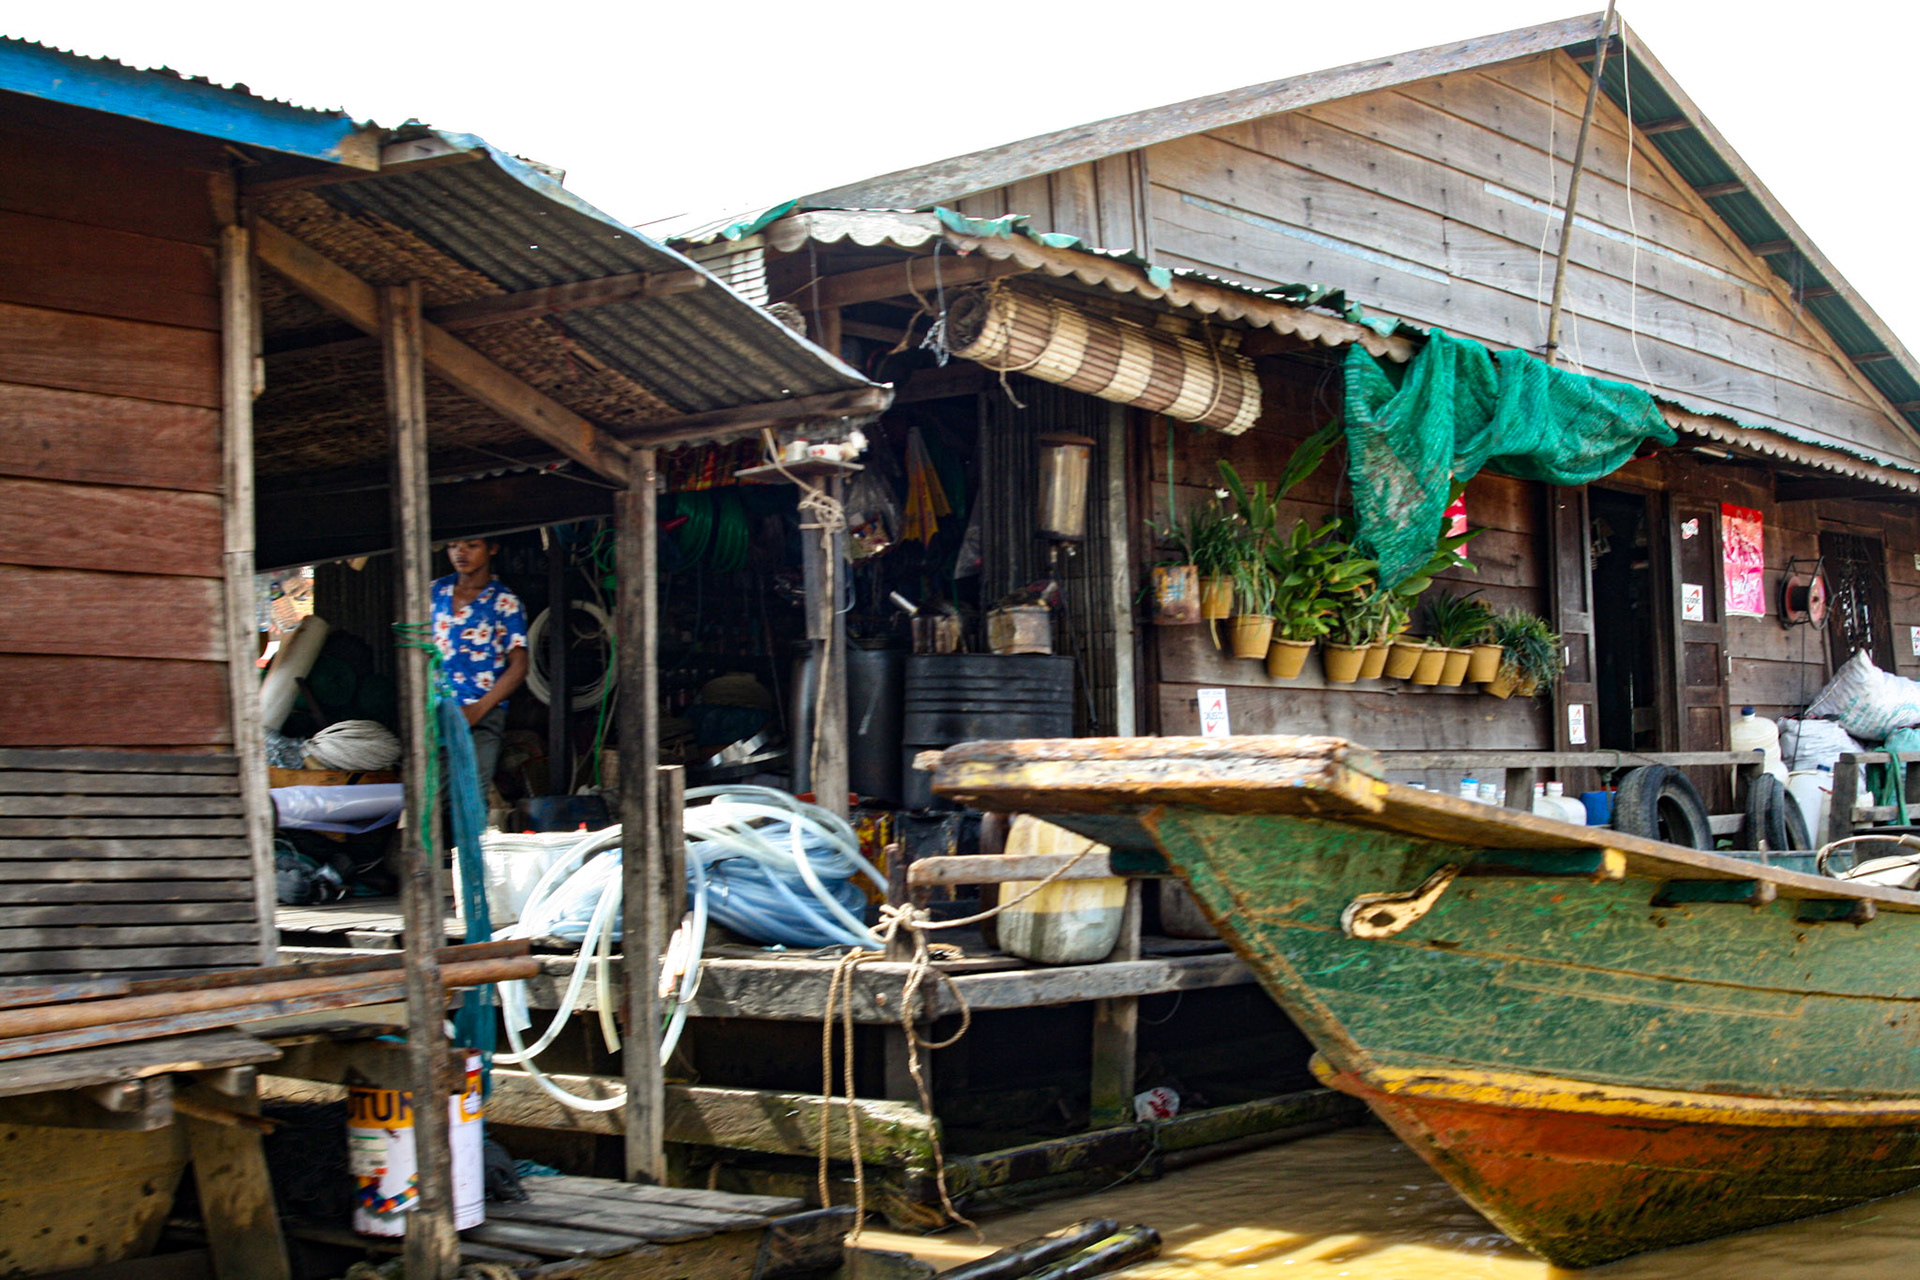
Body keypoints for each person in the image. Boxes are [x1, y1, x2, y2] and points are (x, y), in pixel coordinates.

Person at [431, 538, 529, 791]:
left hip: (484, 714)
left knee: (472, 790)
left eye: (472, 545)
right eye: (453, 545)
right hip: (436, 711)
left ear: (493, 547)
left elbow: (519, 666)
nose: (460, 552)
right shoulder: (434, 593)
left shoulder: (504, 602)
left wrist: (478, 709)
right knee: (434, 796)